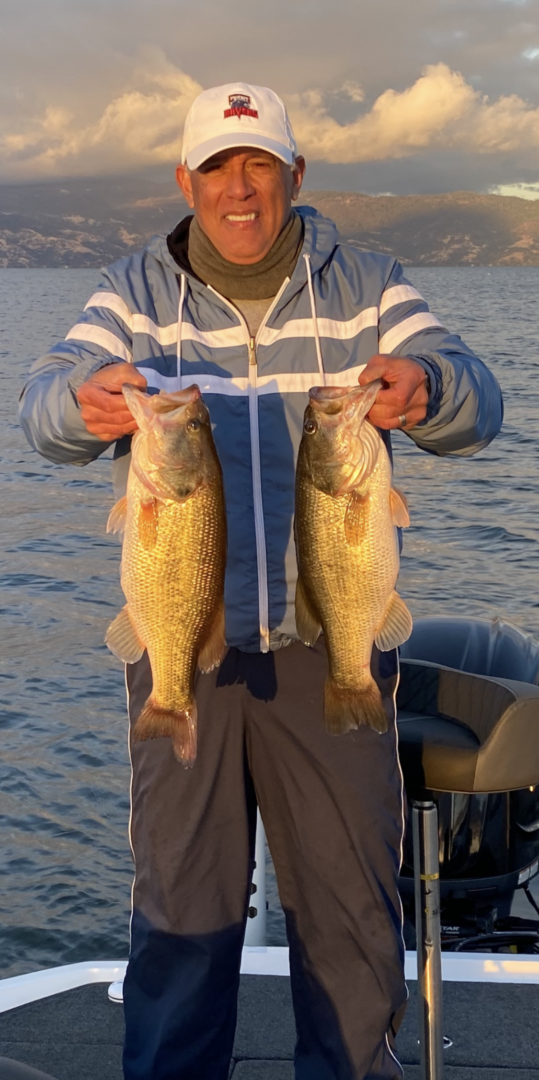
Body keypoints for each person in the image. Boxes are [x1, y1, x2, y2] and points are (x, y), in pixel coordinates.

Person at [19, 82, 503, 1080]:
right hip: (180, 655)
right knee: (180, 928)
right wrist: (80, 401)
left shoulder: (365, 282)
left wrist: (429, 388)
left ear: (293, 175)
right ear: (184, 180)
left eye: (260, 167)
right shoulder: (130, 294)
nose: (239, 191)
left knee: (350, 927)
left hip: (334, 651)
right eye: (217, 169)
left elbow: (473, 397)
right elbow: (41, 413)